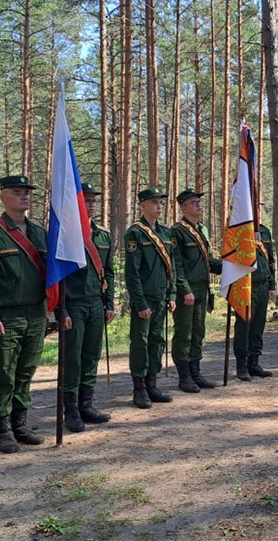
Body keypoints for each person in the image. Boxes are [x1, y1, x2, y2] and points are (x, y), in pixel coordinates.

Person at [0, 175, 49, 453]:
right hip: (5, 315)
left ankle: (20, 424)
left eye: (27, 192)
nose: (25, 197)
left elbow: (52, 277)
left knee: (26, 371)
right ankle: (2, 429)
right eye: (17, 192)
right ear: (3, 197)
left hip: (36, 313)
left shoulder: (40, 232)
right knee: (4, 373)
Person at [58, 183, 115, 432]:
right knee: (73, 358)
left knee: (91, 355)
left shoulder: (102, 235)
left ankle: (86, 405)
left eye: (93, 201)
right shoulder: (65, 235)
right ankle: (70, 410)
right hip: (74, 303)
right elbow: (57, 276)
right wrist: (61, 310)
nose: (91, 205)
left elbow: (109, 272)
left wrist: (109, 303)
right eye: (86, 200)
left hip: (96, 303)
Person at [123, 187, 183, 409]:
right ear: (142, 206)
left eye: (161, 202)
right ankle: (139, 389)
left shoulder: (166, 233)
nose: (159, 206)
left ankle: (152, 384)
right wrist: (140, 302)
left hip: (162, 296)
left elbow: (173, 268)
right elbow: (133, 272)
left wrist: (172, 294)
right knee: (141, 341)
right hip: (145, 299)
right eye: (154, 202)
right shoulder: (135, 233)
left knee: (157, 340)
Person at [171, 188, 223, 393]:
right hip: (188, 292)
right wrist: (184, 290)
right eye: (194, 203)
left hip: (202, 289)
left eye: (199, 203)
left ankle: (195, 372)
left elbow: (207, 260)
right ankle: (184, 377)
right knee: (184, 333)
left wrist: (228, 267)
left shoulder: (202, 230)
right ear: (184, 208)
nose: (199, 206)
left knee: (198, 332)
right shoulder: (177, 231)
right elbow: (177, 265)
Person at [235, 214, 277, 381]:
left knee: (258, 326)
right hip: (246, 285)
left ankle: (254, 362)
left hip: (263, 284)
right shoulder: (238, 231)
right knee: (244, 326)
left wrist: (272, 285)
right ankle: (241, 365)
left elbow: (271, 260)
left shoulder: (264, 231)